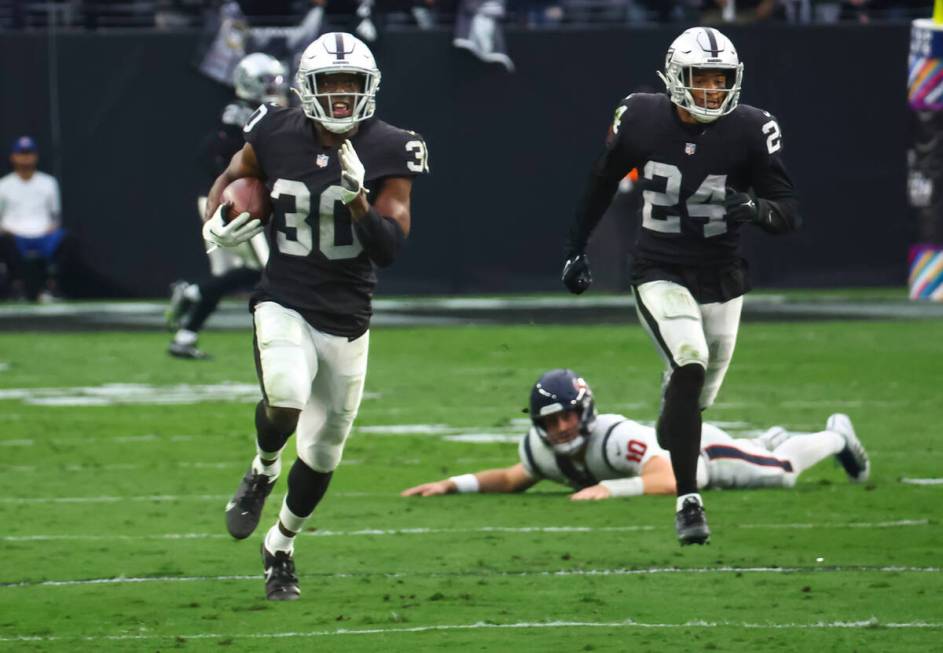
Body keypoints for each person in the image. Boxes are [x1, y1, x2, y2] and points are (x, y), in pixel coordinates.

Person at [203, 32, 429, 601]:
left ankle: (280, 546)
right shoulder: (274, 131)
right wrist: (215, 217)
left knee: (324, 452)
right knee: (285, 395)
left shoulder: (391, 148)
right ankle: (261, 466)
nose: (340, 96)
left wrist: (358, 198)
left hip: (348, 315)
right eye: (330, 83)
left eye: (350, 83)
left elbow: (388, 249)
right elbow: (234, 172)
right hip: (285, 296)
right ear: (307, 86)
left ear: (368, 87)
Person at [560, 27, 801, 545]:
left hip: (723, 279)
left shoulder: (752, 129)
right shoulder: (642, 116)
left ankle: (675, 413)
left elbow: (789, 213)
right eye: (702, 79)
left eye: (721, 80)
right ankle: (689, 503)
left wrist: (755, 209)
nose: (712, 91)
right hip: (659, 268)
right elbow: (601, 180)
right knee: (688, 361)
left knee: (685, 411)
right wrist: (577, 247)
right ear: (675, 78)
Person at [402, 370, 870, 507]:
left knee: (783, 473)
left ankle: (835, 435)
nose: (560, 428)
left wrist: (612, 487)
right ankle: (771, 437)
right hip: (689, 460)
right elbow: (513, 477)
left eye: (566, 417)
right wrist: (452, 484)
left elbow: (671, 478)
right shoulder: (542, 451)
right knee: (773, 461)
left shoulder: (613, 438)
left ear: (584, 412)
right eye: (551, 422)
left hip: (701, 455)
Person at [165, 52, 288, 359]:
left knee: (239, 275)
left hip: (230, 200)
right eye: (268, 82)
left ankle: (185, 333)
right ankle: (195, 296)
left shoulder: (250, 112)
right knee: (269, 271)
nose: (275, 88)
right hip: (232, 203)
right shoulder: (244, 116)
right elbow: (213, 158)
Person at [0, 136, 64, 302]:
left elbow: (55, 216)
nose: (25, 158)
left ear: (35, 156)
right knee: (6, 243)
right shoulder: (4, 185)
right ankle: (20, 288)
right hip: (13, 235)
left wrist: (51, 229)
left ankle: (51, 287)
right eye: (21, 153)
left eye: (29, 153)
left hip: (43, 234)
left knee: (66, 241)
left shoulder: (48, 182)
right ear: (13, 157)